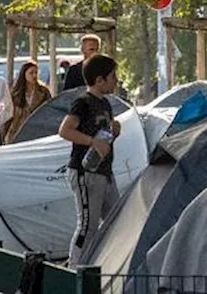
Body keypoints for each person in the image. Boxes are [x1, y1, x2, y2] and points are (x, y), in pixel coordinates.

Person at [58, 53, 121, 266]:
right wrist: (91, 142)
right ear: (99, 79)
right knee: (87, 224)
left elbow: (104, 135)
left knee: (116, 217)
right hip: (85, 172)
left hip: (104, 171)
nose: (116, 80)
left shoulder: (105, 104)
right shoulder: (83, 103)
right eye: (113, 76)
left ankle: (104, 262)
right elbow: (65, 131)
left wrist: (114, 132)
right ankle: (75, 267)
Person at [3, 59, 52, 144]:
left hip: (37, 130)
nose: (34, 75)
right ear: (24, 74)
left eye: (36, 72)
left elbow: (49, 111)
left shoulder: (43, 91)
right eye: (31, 73)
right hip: (18, 130)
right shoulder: (16, 93)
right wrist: (4, 135)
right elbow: (8, 115)